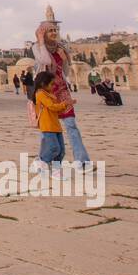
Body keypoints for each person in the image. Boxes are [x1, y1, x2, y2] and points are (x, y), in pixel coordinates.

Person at [31, 18, 91, 165]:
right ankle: (45, 159)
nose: (53, 33)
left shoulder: (61, 48)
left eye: (54, 30)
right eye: (50, 30)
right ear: (43, 33)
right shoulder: (37, 47)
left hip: (62, 90)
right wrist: (40, 41)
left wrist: (64, 59)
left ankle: (81, 161)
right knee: (48, 129)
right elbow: (45, 60)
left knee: (71, 125)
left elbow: (65, 71)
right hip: (46, 91)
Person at [31, 71, 67, 175]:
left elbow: (55, 109)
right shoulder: (40, 94)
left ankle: (56, 170)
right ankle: (41, 161)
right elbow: (51, 106)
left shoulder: (50, 94)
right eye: (51, 84)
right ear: (43, 84)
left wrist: (65, 106)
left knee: (61, 151)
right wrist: (63, 104)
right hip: (47, 126)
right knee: (54, 148)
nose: (53, 86)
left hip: (56, 126)